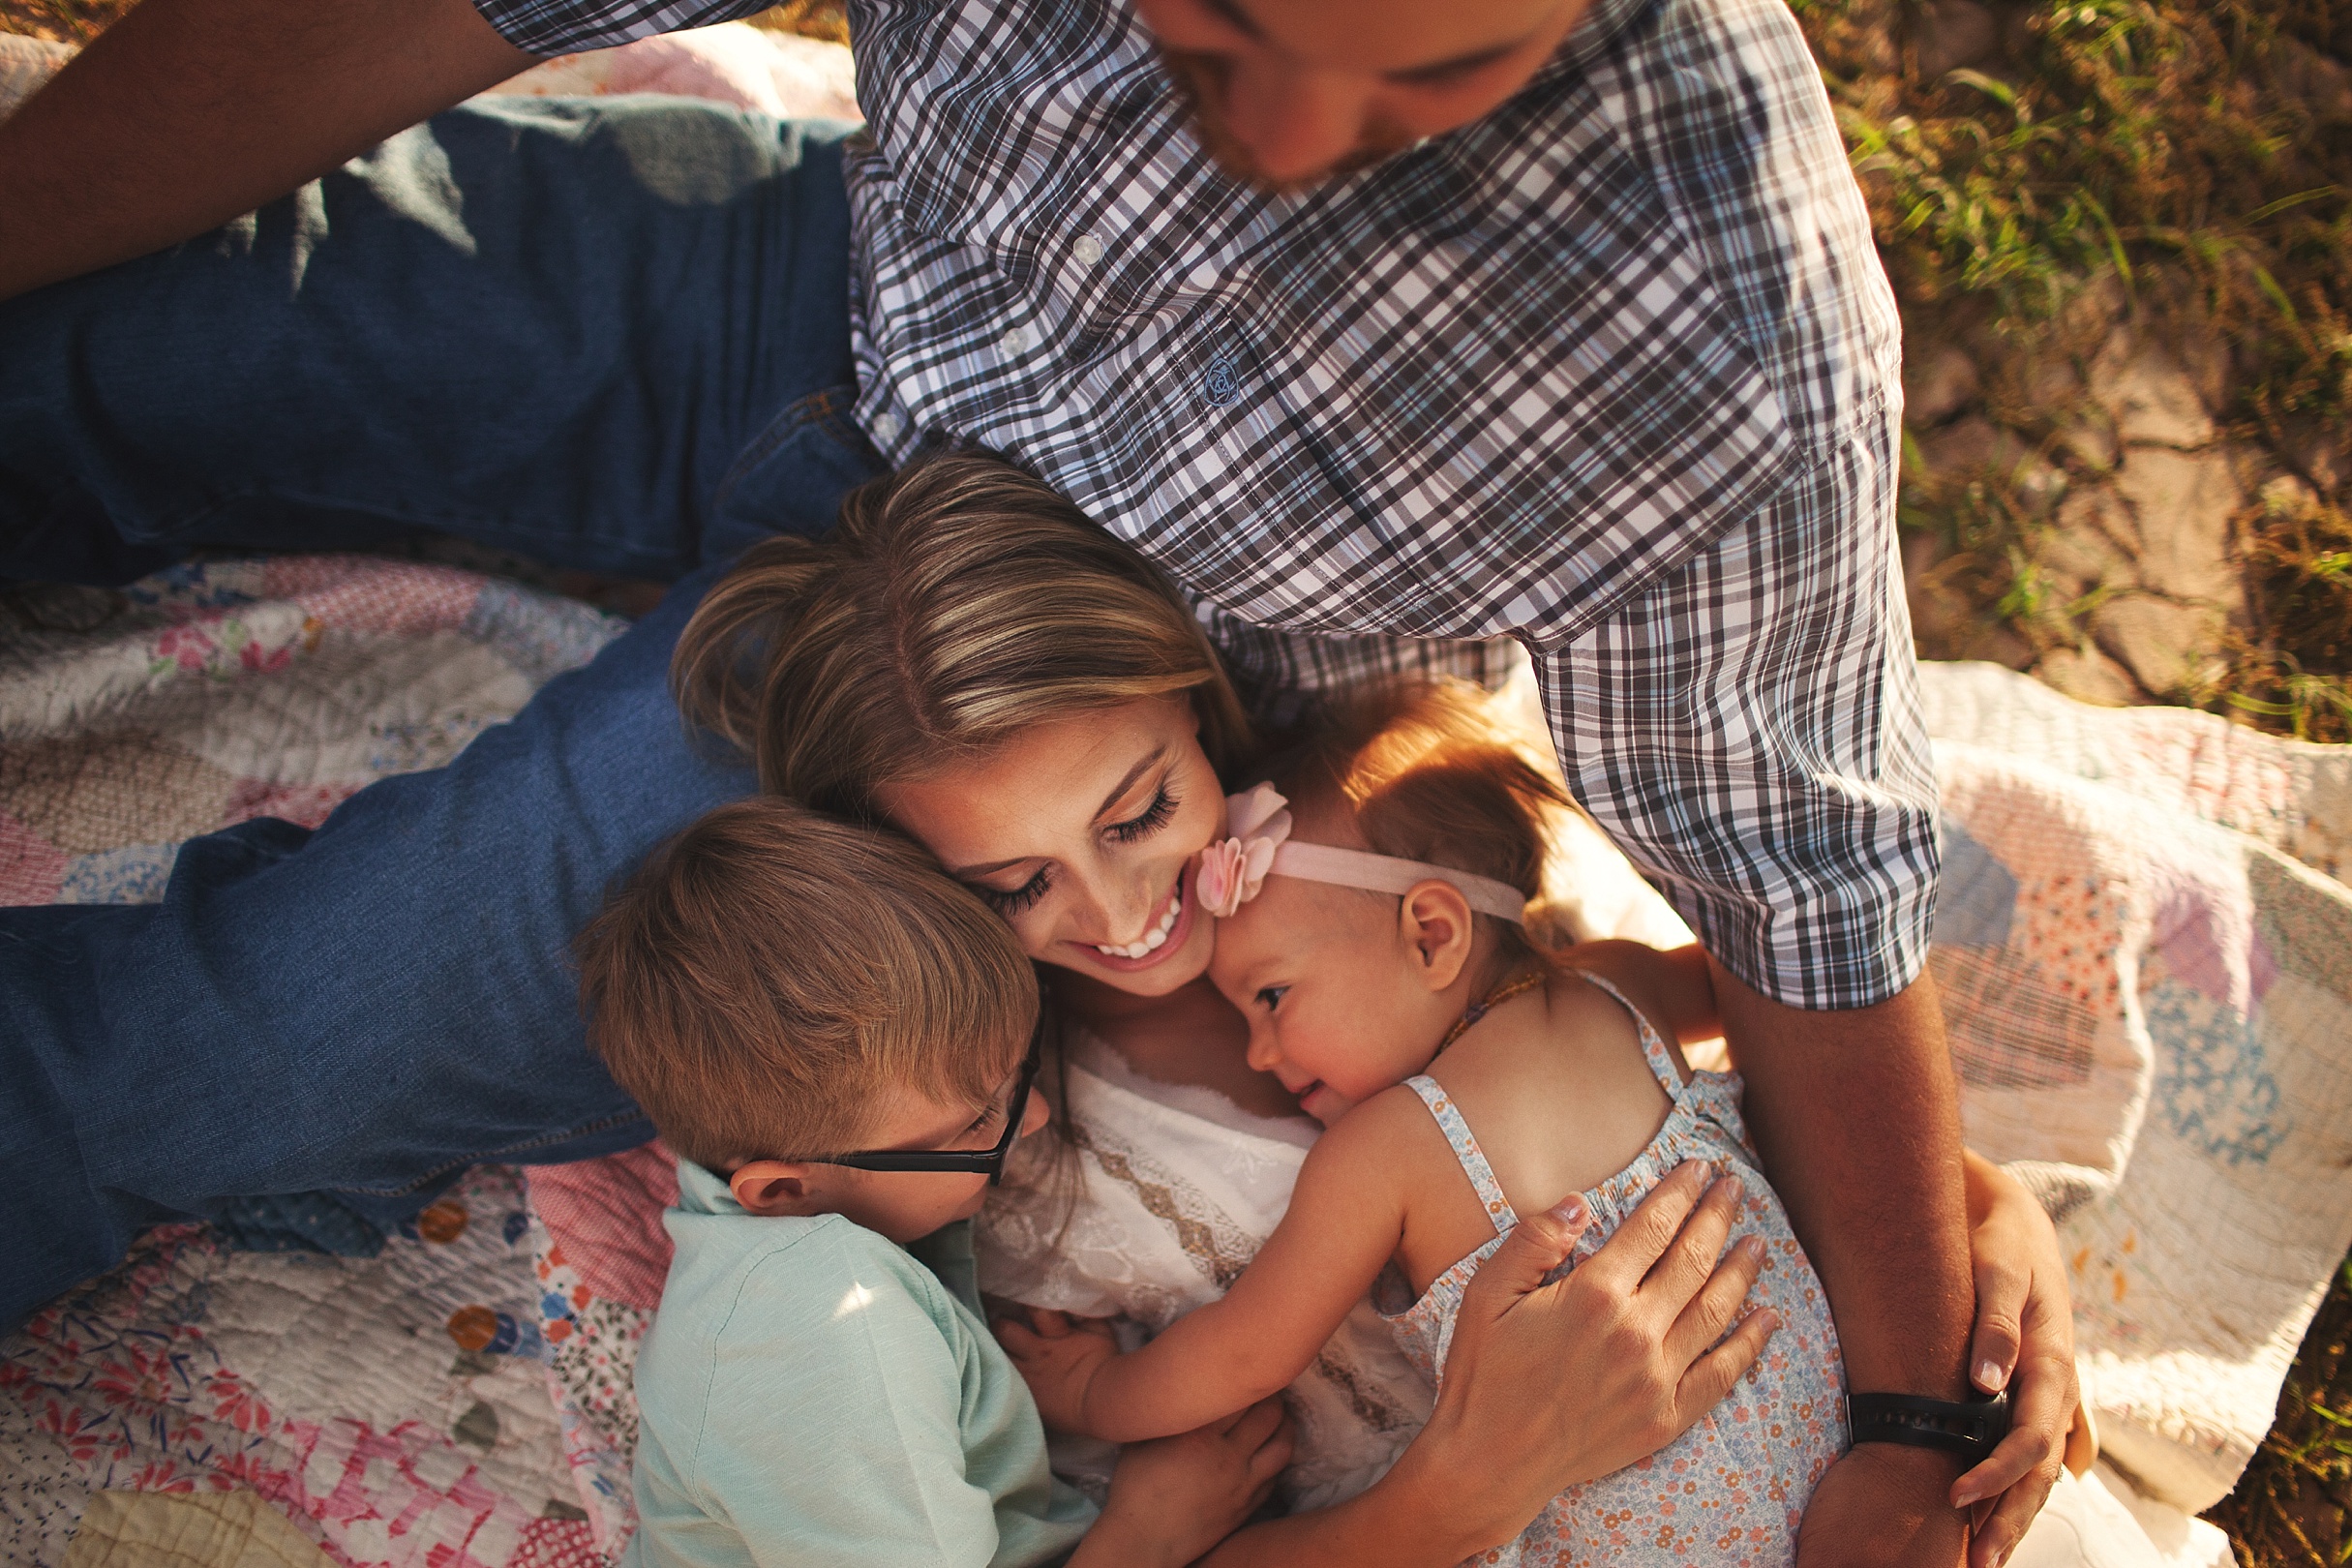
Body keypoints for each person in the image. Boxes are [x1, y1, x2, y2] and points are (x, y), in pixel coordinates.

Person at [0, 0, 2078, 1541]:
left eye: (1433, 79)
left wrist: (1903, 1380)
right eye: (1214, 22)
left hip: (1014, 718)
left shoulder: (1718, 333)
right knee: (147, 328)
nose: (1274, 143)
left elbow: (1796, 894)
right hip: (842, 304)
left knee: (254, 1046)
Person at [671, 454, 2073, 1562]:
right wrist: (1454, 1498)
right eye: (1011, 887)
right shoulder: (1025, 1170)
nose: (1116, 919)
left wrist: (1961, 1224)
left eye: (1141, 811)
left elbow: (1715, 1078)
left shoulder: (1383, 875)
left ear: (1196, 705)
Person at [999, 678, 1846, 1567]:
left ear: (1432, 934)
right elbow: (1772, 1002)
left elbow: (1246, 1354)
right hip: (1815, 1442)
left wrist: (1096, 1392)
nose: (1258, 1050)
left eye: (1272, 997)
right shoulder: (1619, 984)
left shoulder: (1390, 1145)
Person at [572, 795, 1291, 1568]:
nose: (1038, 1116)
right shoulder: (821, 1320)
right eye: (980, 1120)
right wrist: (1148, 1535)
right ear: (782, 1193)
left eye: (1018, 1075)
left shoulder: (821, 1195)